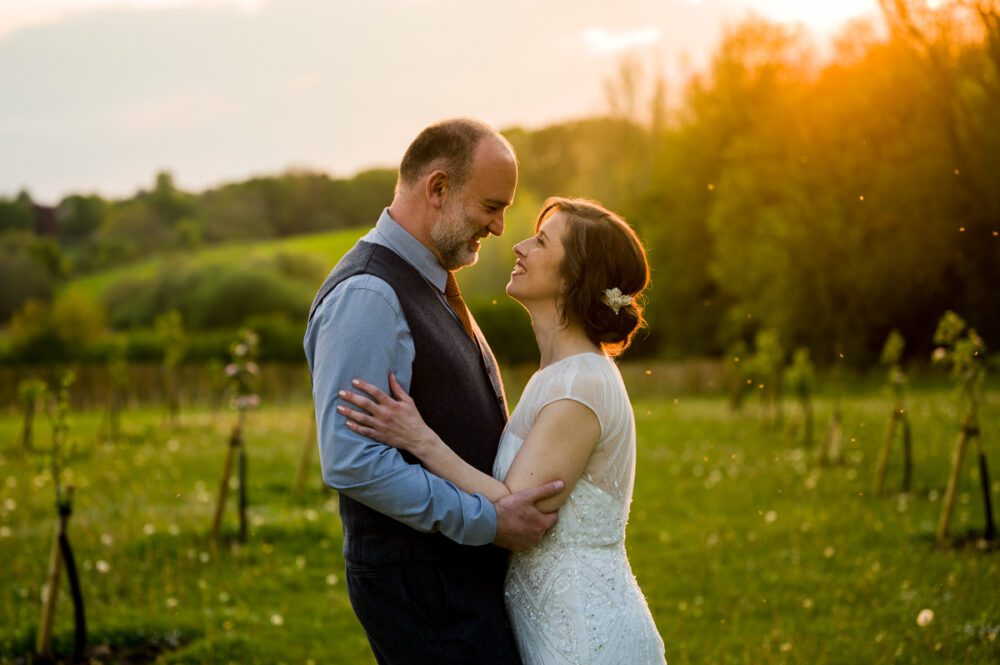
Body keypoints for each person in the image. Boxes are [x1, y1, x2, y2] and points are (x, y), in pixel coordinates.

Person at [340, 197, 668, 664]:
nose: (518, 246)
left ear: (575, 276)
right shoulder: (558, 376)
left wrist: (419, 439)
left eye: (540, 242)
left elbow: (516, 508)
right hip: (551, 627)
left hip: (584, 636)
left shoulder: (580, 384)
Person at [303, 118, 564, 665]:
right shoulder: (370, 294)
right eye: (491, 206)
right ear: (438, 188)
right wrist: (489, 523)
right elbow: (354, 462)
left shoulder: (428, 279)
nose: (498, 228)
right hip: (423, 587)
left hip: (455, 580)